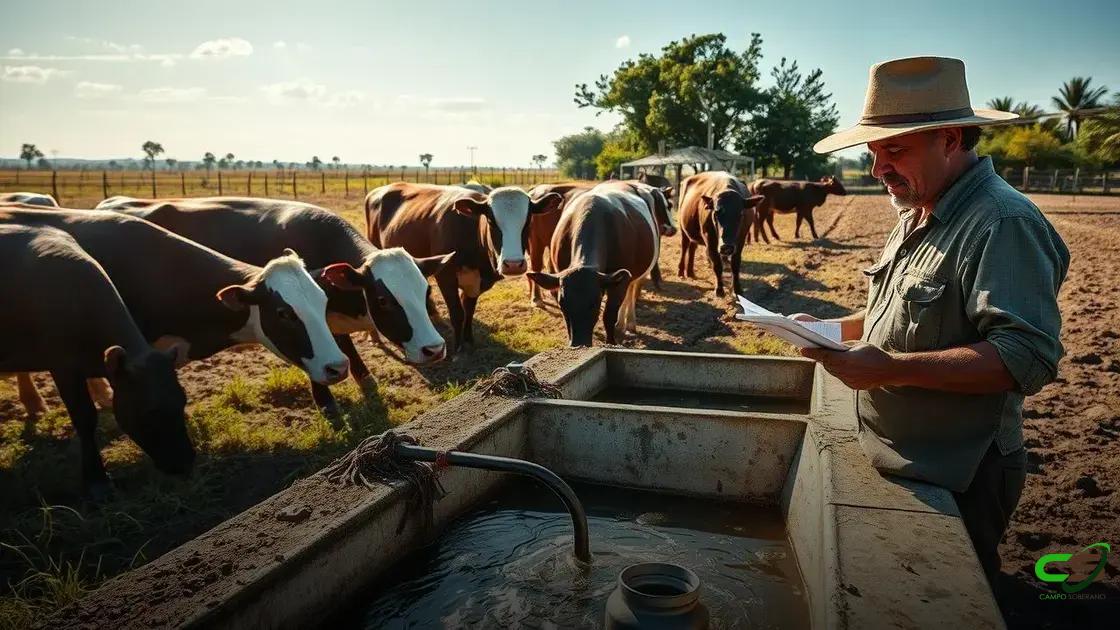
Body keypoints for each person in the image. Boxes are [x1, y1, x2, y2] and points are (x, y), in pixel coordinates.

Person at [797, 56, 1070, 588]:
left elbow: (1025, 358)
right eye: (874, 152)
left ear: (949, 139)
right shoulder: (918, 209)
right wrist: (829, 329)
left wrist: (889, 369)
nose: (879, 169)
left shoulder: (1002, 222)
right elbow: (895, 313)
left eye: (894, 150)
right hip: (903, 455)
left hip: (958, 473)